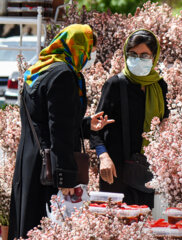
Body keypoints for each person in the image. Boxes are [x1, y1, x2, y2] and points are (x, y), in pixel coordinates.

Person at [9, 24, 114, 239]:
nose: (91, 55)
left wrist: (85, 125)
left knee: (29, 225)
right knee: (49, 228)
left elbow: (44, 121)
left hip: (30, 164)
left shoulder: (36, 70)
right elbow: (59, 131)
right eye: (90, 48)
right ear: (78, 47)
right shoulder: (64, 76)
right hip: (50, 170)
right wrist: (64, 179)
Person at [90, 29, 169, 208]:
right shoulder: (115, 84)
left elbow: (166, 121)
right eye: (133, 54)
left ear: (154, 57)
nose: (137, 59)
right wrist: (103, 157)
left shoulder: (159, 86)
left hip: (147, 174)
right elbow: (96, 128)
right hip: (116, 173)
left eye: (144, 55)